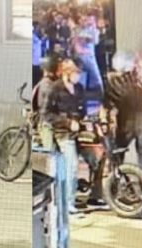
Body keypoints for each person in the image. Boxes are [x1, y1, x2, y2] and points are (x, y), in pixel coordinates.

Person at [41, 59, 83, 214]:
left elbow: (81, 108)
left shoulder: (78, 88)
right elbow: (46, 114)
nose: (77, 76)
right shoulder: (55, 89)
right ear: (66, 73)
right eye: (75, 72)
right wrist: (66, 122)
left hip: (77, 132)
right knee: (71, 167)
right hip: (63, 133)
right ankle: (68, 204)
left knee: (93, 159)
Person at [72, 14, 103, 92]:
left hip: (89, 56)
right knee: (83, 76)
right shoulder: (78, 30)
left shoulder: (94, 31)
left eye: (91, 20)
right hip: (82, 56)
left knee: (94, 77)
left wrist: (93, 29)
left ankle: (97, 93)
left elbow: (95, 41)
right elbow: (77, 41)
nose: (87, 21)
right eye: (86, 20)